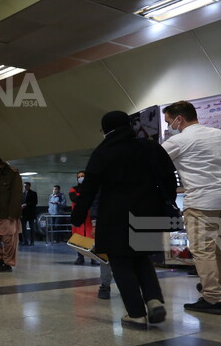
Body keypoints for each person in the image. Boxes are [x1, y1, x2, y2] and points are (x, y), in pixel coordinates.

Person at [73, 111, 178, 327]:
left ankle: (136, 313)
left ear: (105, 130)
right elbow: (170, 178)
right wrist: (162, 203)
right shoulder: (149, 147)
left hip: (115, 215)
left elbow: (89, 188)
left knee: (120, 262)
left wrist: (77, 215)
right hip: (148, 212)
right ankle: (153, 299)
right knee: (142, 258)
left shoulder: (103, 152)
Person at [162, 100, 221, 314]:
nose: (169, 127)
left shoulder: (178, 141)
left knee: (204, 250)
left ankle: (211, 297)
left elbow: (154, 165)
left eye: (169, 122)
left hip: (202, 202)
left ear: (179, 119)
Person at [21, 182, 38, 246]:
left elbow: (35, 202)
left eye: (26, 186)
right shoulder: (22, 194)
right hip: (24, 213)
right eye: (24, 186)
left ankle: (32, 241)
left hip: (31, 212)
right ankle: (25, 241)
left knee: (32, 227)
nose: (25, 187)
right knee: (23, 228)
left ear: (29, 186)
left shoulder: (33, 193)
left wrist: (26, 204)